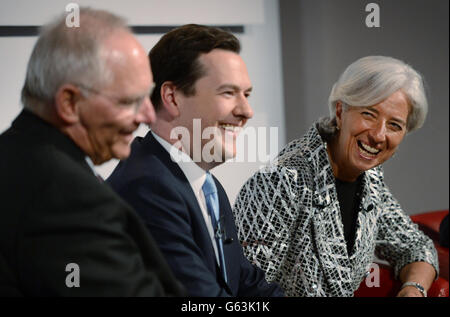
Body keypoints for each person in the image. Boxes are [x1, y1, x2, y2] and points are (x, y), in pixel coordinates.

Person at [0, 8, 185, 296]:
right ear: (70, 103)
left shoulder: (16, 154)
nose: (148, 115)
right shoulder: (67, 197)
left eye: (147, 96)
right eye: (130, 101)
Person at [233, 56, 439, 297]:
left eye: (394, 125)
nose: (379, 135)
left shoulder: (371, 179)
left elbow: (415, 246)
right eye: (369, 114)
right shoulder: (282, 179)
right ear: (341, 111)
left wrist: (414, 289)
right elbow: (246, 288)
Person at [107, 24, 284, 297]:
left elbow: (249, 285)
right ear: (172, 98)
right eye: (227, 92)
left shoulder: (208, 187)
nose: (246, 111)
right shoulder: (147, 186)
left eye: (246, 94)